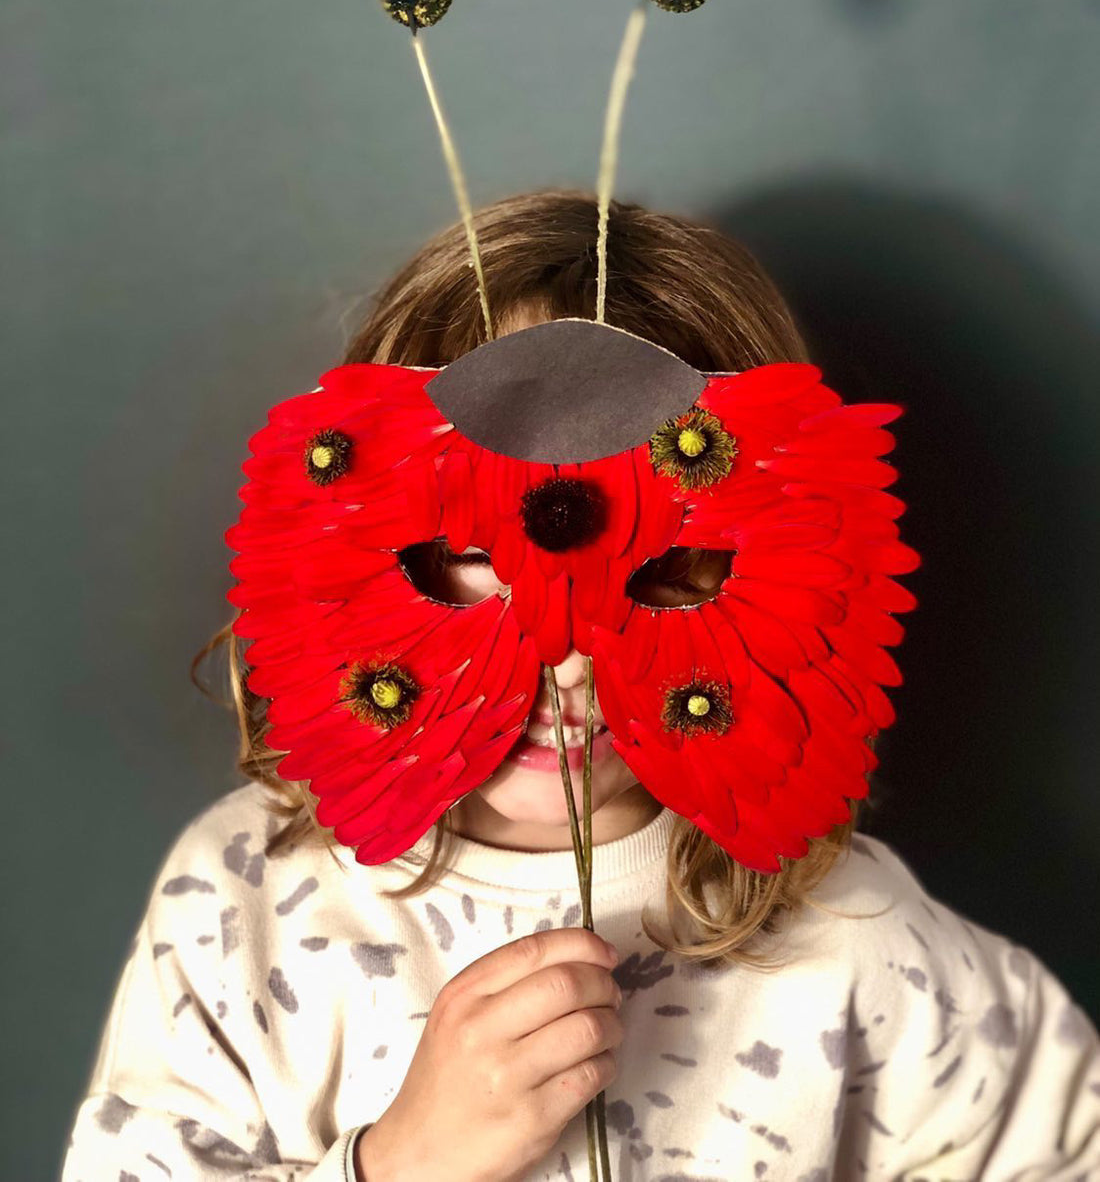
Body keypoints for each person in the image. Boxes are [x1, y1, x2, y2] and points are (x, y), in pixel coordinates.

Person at [61, 192, 1100, 1182]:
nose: (563, 656)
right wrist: (403, 1162)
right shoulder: (244, 901)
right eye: (472, 552)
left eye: (655, 571)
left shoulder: (849, 939)